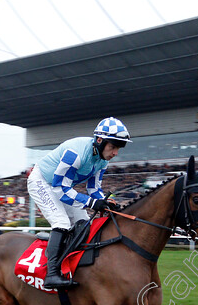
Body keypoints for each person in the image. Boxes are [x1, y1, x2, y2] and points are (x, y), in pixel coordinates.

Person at [27, 117, 131, 289]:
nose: (115, 153)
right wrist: (92, 203)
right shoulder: (75, 153)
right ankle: (51, 274)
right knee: (61, 222)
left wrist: (103, 201)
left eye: (118, 148)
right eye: (113, 147)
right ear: (99, 140)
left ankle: (73, 265)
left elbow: (94, 189)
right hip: (42, 182)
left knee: (84, 224)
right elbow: (60, 188)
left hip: (61, 186)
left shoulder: (103, 160)